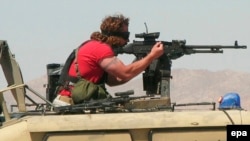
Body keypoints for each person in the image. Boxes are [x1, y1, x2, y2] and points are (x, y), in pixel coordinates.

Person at [53, 14, 164, 105]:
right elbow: (125, 73)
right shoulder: (101, 48)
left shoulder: (93, 45)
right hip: (71, 102)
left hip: (75, 100)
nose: (128, 40)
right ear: (115, 35)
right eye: (125, 35)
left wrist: (140, 61)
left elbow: (113, 81)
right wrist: (151, 57)